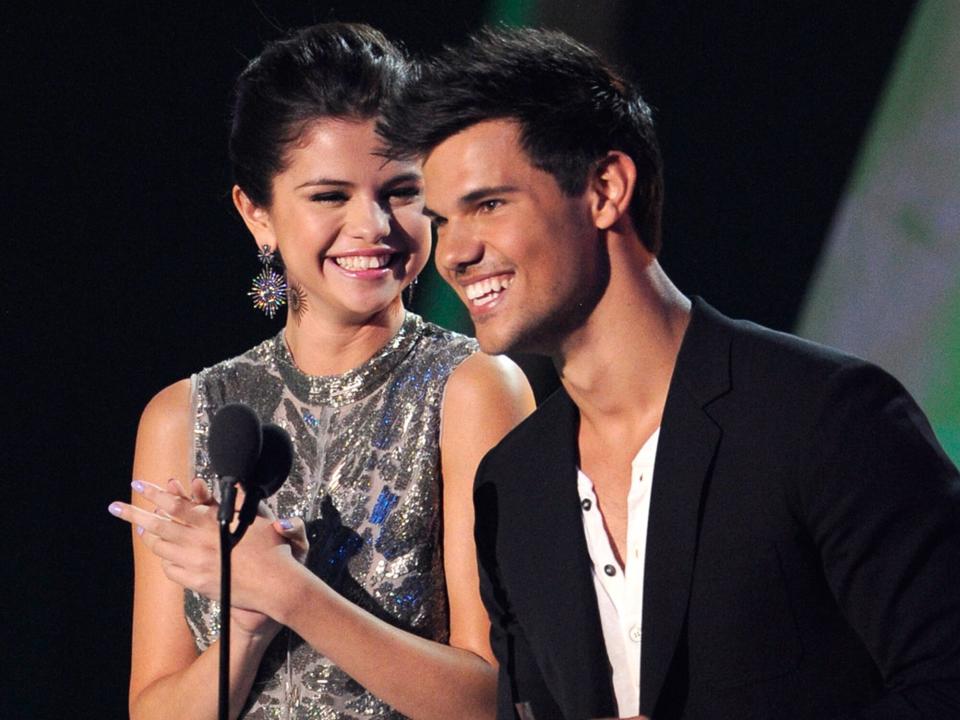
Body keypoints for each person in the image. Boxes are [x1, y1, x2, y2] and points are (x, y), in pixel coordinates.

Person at [377, 26, 960, 720]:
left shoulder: (823, 415)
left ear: (605, 189)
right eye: (441, 221)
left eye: (489, 205)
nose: (455, 254)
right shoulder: (513, 486)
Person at [107, 23, 535, 720]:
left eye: (399, 191)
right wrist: (245, 623)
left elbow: (496, 698)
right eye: (330, 196)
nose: (372, 226)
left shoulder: (476, 389)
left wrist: (289, 592)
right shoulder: (184, 415)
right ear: (258, 216)